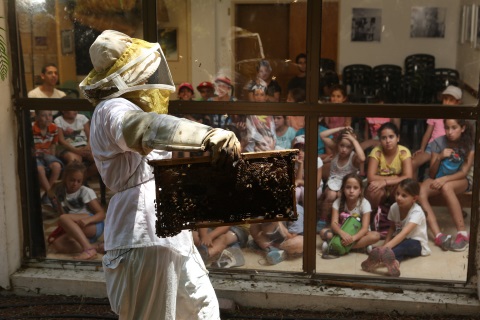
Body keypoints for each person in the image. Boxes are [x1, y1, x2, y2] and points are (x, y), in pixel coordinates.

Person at [79, 30, 241, 319]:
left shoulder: (125, 106)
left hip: (167, 231)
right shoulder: (112, 108)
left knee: (203, 309)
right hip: (141, 233)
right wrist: (207, 135)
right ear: (131, 74)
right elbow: (141, 128)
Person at [418, 119, 474, 252]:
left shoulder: (469, 144)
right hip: (437, 178)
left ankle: (462, 234)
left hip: (461, 180)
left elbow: (463, 172)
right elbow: (432, 174)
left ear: (463, 128)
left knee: (446, 187)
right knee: (420, 191)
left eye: (454, 128)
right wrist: (439, 157)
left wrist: (445, 180)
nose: (450, 132)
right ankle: (439, 235)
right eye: (447, 128)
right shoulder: (438, 142)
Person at [361, 179, 431, 277]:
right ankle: (395, 264)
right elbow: (392, 228)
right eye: (397, 194)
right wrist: (385, 244)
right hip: (400, 240)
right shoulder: (394, 207)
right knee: (397, 249)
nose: (398, 198)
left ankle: (377, 258)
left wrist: (385, 248)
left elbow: (404, 233)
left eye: (404, 195)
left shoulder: (417, 212)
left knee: (403, 246)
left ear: (414, 198)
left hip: (417, 244)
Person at [47, 162, 105, 260]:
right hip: (75, 225)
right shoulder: (59, 190)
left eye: (79, 181)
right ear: (65, 178)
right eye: (72, 180)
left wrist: (87, 221)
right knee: (57, 244)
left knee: (64, 218)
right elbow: (63, 215)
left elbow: (101, 214)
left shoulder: (85, 191)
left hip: (92, 224)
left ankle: (88, 249)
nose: (75, 184)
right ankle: (95, 247)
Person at [364, 122, 413, 233]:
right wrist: (396, 176)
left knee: (404, 190)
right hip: (379, 188)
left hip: (394, 188)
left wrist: (385, 182)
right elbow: (371, 177)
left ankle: (399, 223)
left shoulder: (404, 152)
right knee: (373, 190)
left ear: (398, 138)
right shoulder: (376, 152)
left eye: (391, 137)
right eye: (384, 138)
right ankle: (370, 221)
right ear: (380, 140)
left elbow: (408, 177)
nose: (388, 141)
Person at [318, 127, 365, 231]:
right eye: (342, 145)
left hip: (347, 184)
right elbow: (322, 135)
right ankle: (323, 219)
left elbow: (362, 158)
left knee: (341, 195)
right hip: (333, 182)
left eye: (348, 147)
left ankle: (343, 220)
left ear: (352, 147)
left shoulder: (353, 158)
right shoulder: (336, 151)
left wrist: (354, 140)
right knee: (331, 195)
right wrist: (342, 128)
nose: (344, 149)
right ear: (338, 144)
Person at [319, 173, 380, 254]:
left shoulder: (365, 204)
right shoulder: (338, 202)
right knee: (323, 232)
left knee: (375, 236)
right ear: (343, 189)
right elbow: (334, 224)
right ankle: (360, 247)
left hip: (358, 235)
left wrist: (353, 238)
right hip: (342, 233)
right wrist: (342, 234)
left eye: (355, 188)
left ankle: (336, 245)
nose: (351, 191)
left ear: (360, 190)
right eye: (348, 187)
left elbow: (365, 228)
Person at [412, 86, 462, 179]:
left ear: (458, 102)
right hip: (432, 147)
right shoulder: (436, 114)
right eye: (445, 99)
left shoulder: (460, 118)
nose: (447, 102)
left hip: (450, 147)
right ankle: (412, 190)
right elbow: (427, 134)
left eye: (451, 100)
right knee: (413, 163)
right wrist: (422, 148)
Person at [54, 111, 97, 180]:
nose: (75, 111)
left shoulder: (82, 118)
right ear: (64, 111)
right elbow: (61, 140)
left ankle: (81, 179)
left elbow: (90, 136)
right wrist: (76, 151)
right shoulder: (58, 120)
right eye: (72, 109)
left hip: (84, 146)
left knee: (100, 160)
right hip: (68, 148)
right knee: (74, 161)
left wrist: (88, 147)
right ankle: (66, 182)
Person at [33, 110, 63, 194]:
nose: (48, 118)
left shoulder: (54, 128)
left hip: (46, 154)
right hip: (34, 155)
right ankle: (51, 194)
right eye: (43, 115)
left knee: (57, 166)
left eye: (50, 115)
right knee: (40, 169)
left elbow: (53, 145)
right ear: (37, 118)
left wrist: (52, 158)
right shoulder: (31, 128)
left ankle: (47, 193)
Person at [292, 135, 323, 207]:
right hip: (301, 186)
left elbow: (316, 185)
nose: (300, 152)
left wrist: (299, 181)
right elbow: (298, 181)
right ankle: (296, 214)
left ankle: (307, 216)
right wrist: (301, 164)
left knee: (305, 192)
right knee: (295, 192)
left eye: (303, 150)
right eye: (298, 149)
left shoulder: (317, 161)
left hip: (315, 188)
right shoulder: (295, 161)